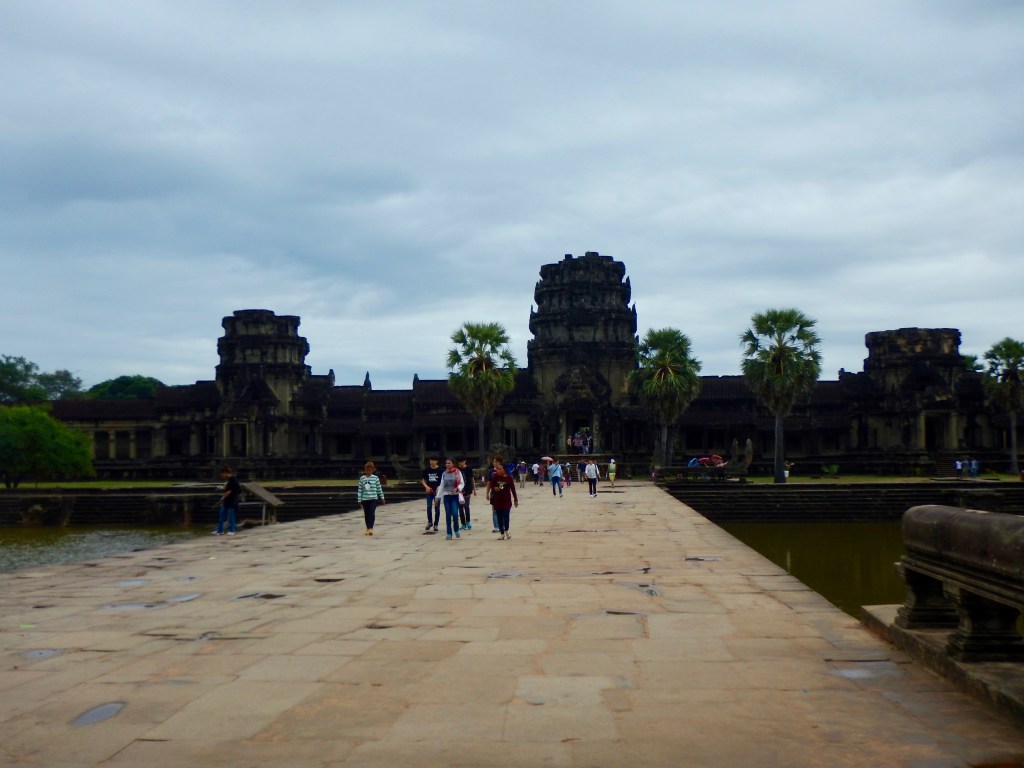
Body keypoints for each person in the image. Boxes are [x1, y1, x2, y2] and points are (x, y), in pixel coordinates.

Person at [487, 456, 518, 539]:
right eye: (498, 469)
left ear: (504, 469)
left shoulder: (509, 478)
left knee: (506, 516)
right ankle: (502, 533)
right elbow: (491, 485)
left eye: (500, 469)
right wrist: (494, 488)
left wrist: (515, 499)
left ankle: (506, 530)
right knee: (499, 517)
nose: (498, 471)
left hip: (506, 501)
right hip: (497, 501)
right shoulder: (495, 477)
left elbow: (513, 489)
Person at [436, 457, 465, 540]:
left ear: (453, 464)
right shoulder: (444, 473)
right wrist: (437, 497)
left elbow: (462, 483)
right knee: (448, 514)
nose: (447, 465)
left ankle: (456, 530)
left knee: (455, 513)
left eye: (449, 463)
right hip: (446, 496)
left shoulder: (457, 472)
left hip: (455, 496)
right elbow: (441, 485)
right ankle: (449, 533)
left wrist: (457, 488)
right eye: (446, 463)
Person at [356, 460, 385, 535]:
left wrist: (382, 497)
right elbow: (360, 489)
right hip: (365, 499)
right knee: (366, 514)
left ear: (372, 470)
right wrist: (359, 499)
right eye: (367, 470)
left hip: (373, 498)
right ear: (365, 470)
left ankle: (371, 528)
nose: (368, 472)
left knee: (371, 512)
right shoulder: (362, 478)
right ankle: (368, 528)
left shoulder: (375, 478)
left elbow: (379, 488)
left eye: (370, 470)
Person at [213, 465, 240, 535]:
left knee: (231, 516)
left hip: (232, 500)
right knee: (221, 514)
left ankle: (232, 530)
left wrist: (230, 492)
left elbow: (238, 489)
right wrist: (223, 488)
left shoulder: (233, 479)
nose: (222, 476)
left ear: (225, 473)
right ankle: (219, 530)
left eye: (222, 475)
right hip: (226, 500)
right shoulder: (228, 480)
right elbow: (229, 488)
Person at [421, 457, 442, 532]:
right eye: (431, 460)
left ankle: (436, 524)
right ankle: (430, 522)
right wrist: (426, 487)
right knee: (429, 506)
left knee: (437, 508)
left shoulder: (440, 470)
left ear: (436, 461)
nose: (432, 462)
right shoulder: (427, 470)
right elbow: (423, 480)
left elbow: (443, 481)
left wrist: (439, 487)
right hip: (429, 491)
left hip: (437, 492)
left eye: (433, 460)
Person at [457, 457, 475, 530]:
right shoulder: (457, 470)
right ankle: (463, 523)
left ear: (465, 461)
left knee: (466, 506)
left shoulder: (469, 469)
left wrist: (474, 489)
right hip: (459, 491)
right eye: (459, 462)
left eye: (462, 461)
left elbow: (472, 479)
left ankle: (468, 521)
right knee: (460, 508)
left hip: (467, 489)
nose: (461, 463)